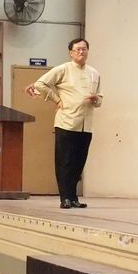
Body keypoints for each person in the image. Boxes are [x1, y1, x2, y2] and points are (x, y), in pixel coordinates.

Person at [24, 38, 103, 209]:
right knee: (65, 162)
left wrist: (96, 99)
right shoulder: (63, 69)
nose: (81, 52)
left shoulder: (94, 73)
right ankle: (65, 197)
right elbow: (40, 84)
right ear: (71, 53)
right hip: (66, 122)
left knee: (78, 163)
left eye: (84, 49)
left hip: (86, 125)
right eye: (78, 49)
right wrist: (57, 99)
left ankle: (73, 198)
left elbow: (100, 98)